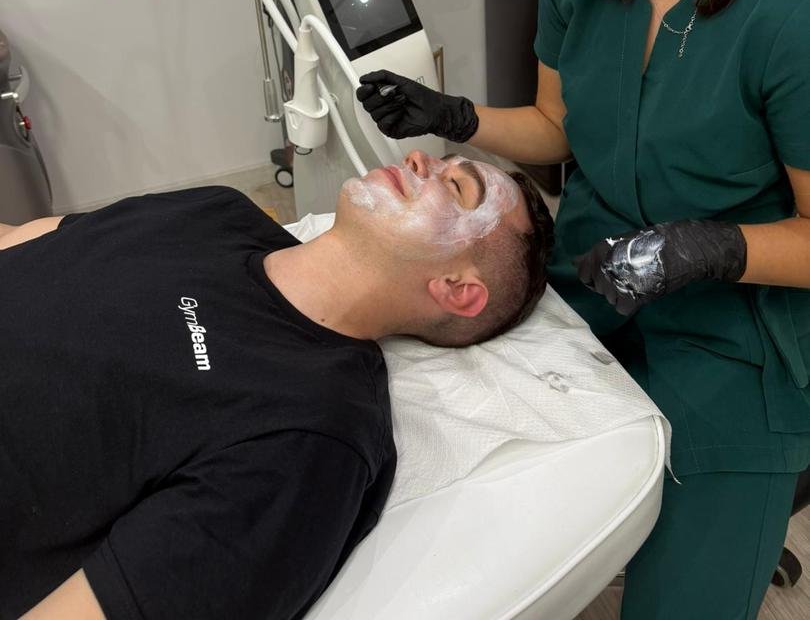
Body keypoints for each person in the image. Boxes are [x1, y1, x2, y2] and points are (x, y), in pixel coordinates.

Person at [357, 0, 810, 620]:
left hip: (737, 339)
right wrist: (454, 116)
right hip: (590, 275)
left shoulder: (789, 13)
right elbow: (556, 129)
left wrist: (709, 248)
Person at [0, 149, 551, 620]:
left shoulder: (311, 434)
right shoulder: (217, 211)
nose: (419, 157)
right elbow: (21, 241)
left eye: (456, 186)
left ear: (458, 289)